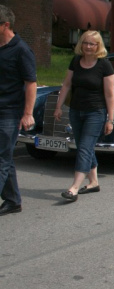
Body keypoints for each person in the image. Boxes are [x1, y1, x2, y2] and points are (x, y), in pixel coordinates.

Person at [53, 30, 114, 202]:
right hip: (76, 110)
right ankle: (93, 182)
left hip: (95, 112)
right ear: (81, 44)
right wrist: (58, 106)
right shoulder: (76, 61)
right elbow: (66, 85)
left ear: (98, 46)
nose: (88, 47)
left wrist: (110, 119)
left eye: (92, 44)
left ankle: (74, 188)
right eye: (86, 43)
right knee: (83, 146)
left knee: (84, 148)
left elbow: (110, 95)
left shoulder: (104, 65)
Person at [0, 5, 36, 216]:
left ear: (6, 25)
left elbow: (31, 83)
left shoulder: (22, 50)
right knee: (4, 157)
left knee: (2, 158)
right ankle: (13, 200)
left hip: (9, 112)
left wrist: (28, 113)